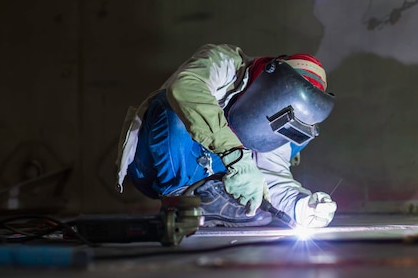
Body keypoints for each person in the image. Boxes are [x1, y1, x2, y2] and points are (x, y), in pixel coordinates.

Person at [115, 44, 337, 228]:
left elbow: (270, 172)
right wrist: (236, 156)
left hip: (214, 174)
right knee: (172, 104)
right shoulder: (224, 61)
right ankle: (186, 199)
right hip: (154, 166)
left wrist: (300, 206)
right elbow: (185, 88)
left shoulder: (285, 119)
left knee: (274, 154)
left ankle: (210, 200)